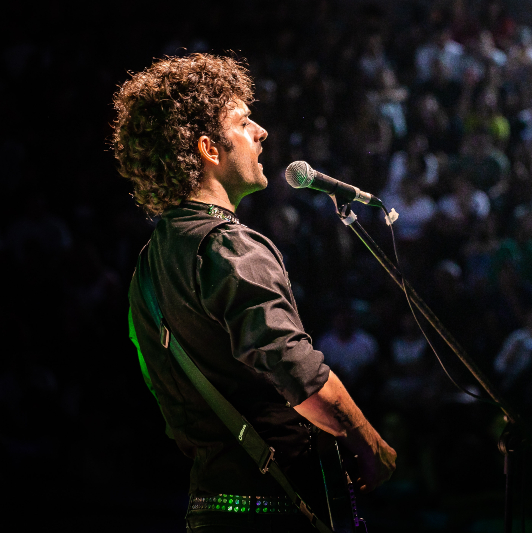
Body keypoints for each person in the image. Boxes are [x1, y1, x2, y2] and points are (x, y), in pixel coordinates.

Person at [113, 53, 396, 532]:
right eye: (244, 122)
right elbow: (299, 374)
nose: (261, 132)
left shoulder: (149, 262)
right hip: (275, 511)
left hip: (208, 508)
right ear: (208, 148)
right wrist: (371, 448)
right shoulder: (228, 245)